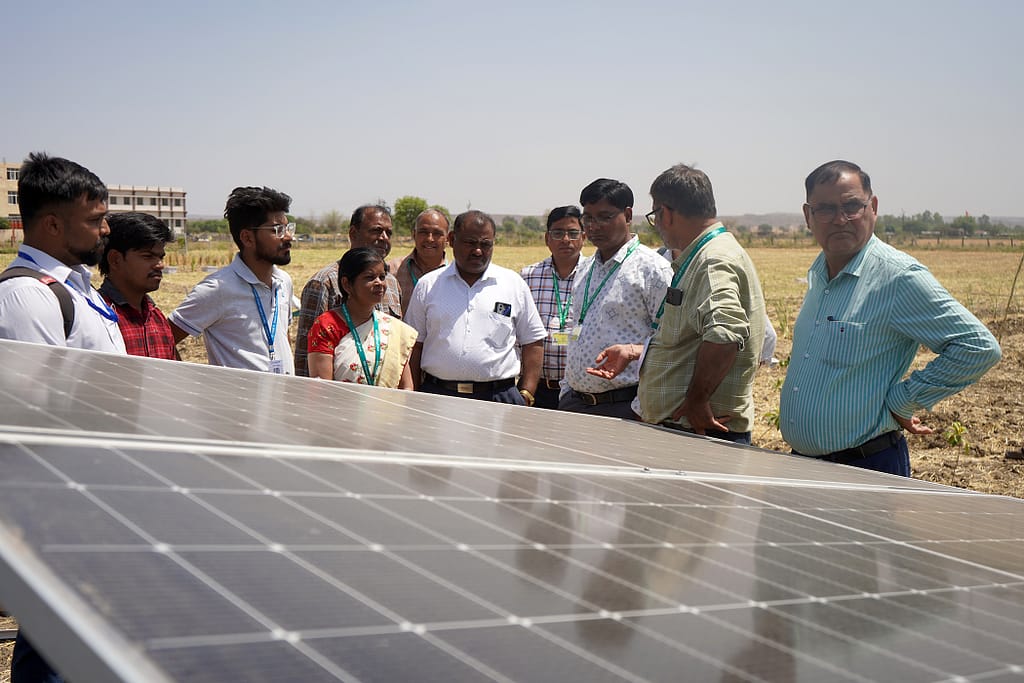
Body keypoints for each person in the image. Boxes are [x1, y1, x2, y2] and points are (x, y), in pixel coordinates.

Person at [781, 160, 1002, 475]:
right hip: (801, 464)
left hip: (863, 467)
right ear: (808, 216)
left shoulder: (897, 277)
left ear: (872, 207)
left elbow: (978, 346)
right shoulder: (819, 275)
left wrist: (904, 400)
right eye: (826, 209)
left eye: (852, 206)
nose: (840, 219)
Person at [0, 152, 124, 683]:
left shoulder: (74, 286)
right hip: (62, 494)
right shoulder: (27, 296)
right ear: (52, 225)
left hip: (93, 482)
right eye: (95, 220)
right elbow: (35, 413)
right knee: (56, 640)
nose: (106, 229)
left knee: (73, 630)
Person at [586, 164, 766, 444]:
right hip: (690, 428)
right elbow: (689, 336)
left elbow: (725, 333)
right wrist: (635, 351)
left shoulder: (712, 260)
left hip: (699, 430)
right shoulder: (704, 254)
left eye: (654, 216)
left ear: (666, 214)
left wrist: (697, 400)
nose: (657, 225)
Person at [405, 210, 546, 404]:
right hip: (437, 396)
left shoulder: (513, 284)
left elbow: (533, 341)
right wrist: (412, 395)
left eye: (485, 244)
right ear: (452, 239)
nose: (478, 251)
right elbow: (414, 346)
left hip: (498, 397)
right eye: (470, 243)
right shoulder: (428, 285)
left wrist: (526, 393)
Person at [559, 178, 673, 418]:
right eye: (588, 218)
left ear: (628, 215)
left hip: (624, 407)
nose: (594, 226)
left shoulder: (653, 270)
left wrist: (639, 409)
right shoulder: (585, 269)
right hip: (574, 403)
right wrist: (567, 389)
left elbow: (671, 343)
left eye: (605, 217)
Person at [169, 186, 295, 374]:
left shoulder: (283, 282)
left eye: (288, 228)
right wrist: (188, 381)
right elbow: (164, 339)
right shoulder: (217, 289)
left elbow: (283, 336)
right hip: (237, 394)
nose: (288, 237)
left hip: (282, 391)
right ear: (247, 238)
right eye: (277, 229)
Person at [294, 204, 402, 376]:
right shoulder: (324, 283)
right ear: (353, 233)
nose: (384, 238)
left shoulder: (391, 283)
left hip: (385, 389)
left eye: (389, 233)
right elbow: (305, 357)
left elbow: (397, 350)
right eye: (376, 230)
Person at [307, 248, 418, 388]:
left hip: (387, 403)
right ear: (347, 284)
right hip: (340, 402)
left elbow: (406, 386)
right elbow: (322, 388)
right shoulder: (327, 325)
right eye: (370, 277)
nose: (379, 283)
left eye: (382, 277)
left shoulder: (392, 329)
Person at [520, 205, 588, 409]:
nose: (566, 239)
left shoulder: (595, 275)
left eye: (573, 233)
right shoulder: (528, 277)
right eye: (558, 233)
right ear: (547, 239)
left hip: (581, 392)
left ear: (584, 237)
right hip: (536, 389)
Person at [99, 212, 178, 360]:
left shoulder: (157, 318)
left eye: (160, 257)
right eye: (148, 256)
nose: (160, 265)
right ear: (115, 259)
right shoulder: (98, 316)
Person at [388, 208, 449, 315]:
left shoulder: (455, 276)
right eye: (423, 232)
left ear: (447, 239)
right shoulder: (390, 271)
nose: (430, 239)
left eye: (437, 233)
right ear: (414, 234)